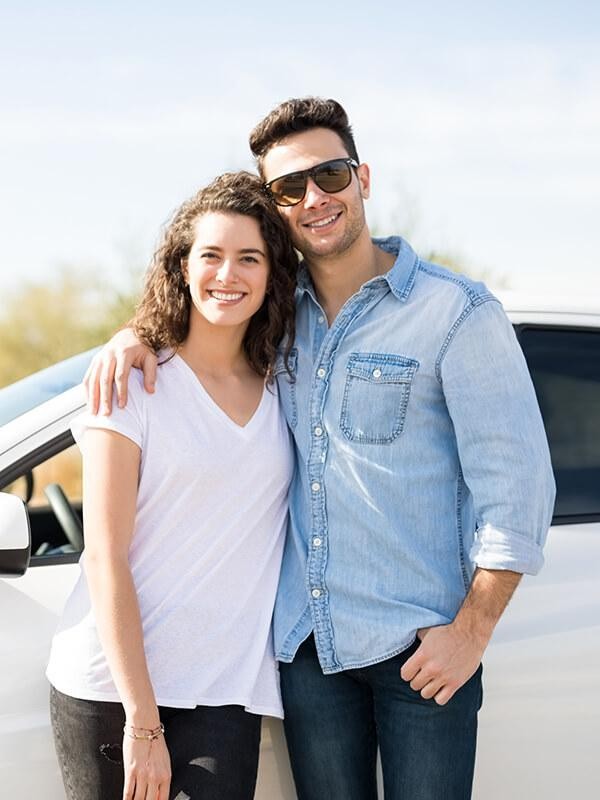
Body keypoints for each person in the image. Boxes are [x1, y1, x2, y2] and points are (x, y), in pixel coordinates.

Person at [86, 98, 556, 800]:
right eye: (288, 188)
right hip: (308, 656)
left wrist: (472, 631)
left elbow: (519, 492)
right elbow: (202, 315)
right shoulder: (275, 315)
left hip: (421, 652)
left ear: (362, 178)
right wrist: (135, 335)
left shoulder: (455, 313)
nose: (313, 198)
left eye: (329, 175)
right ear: (274, 208)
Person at [46, 171, 298, 800]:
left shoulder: (284, 383)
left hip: (225, 692)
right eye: (211, 255)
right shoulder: (132, 384)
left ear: (272, 273)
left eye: (249, 257)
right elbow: (104, 556)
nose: (227, 274)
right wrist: (143, 721)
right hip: (113, 691)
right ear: (182, 266)